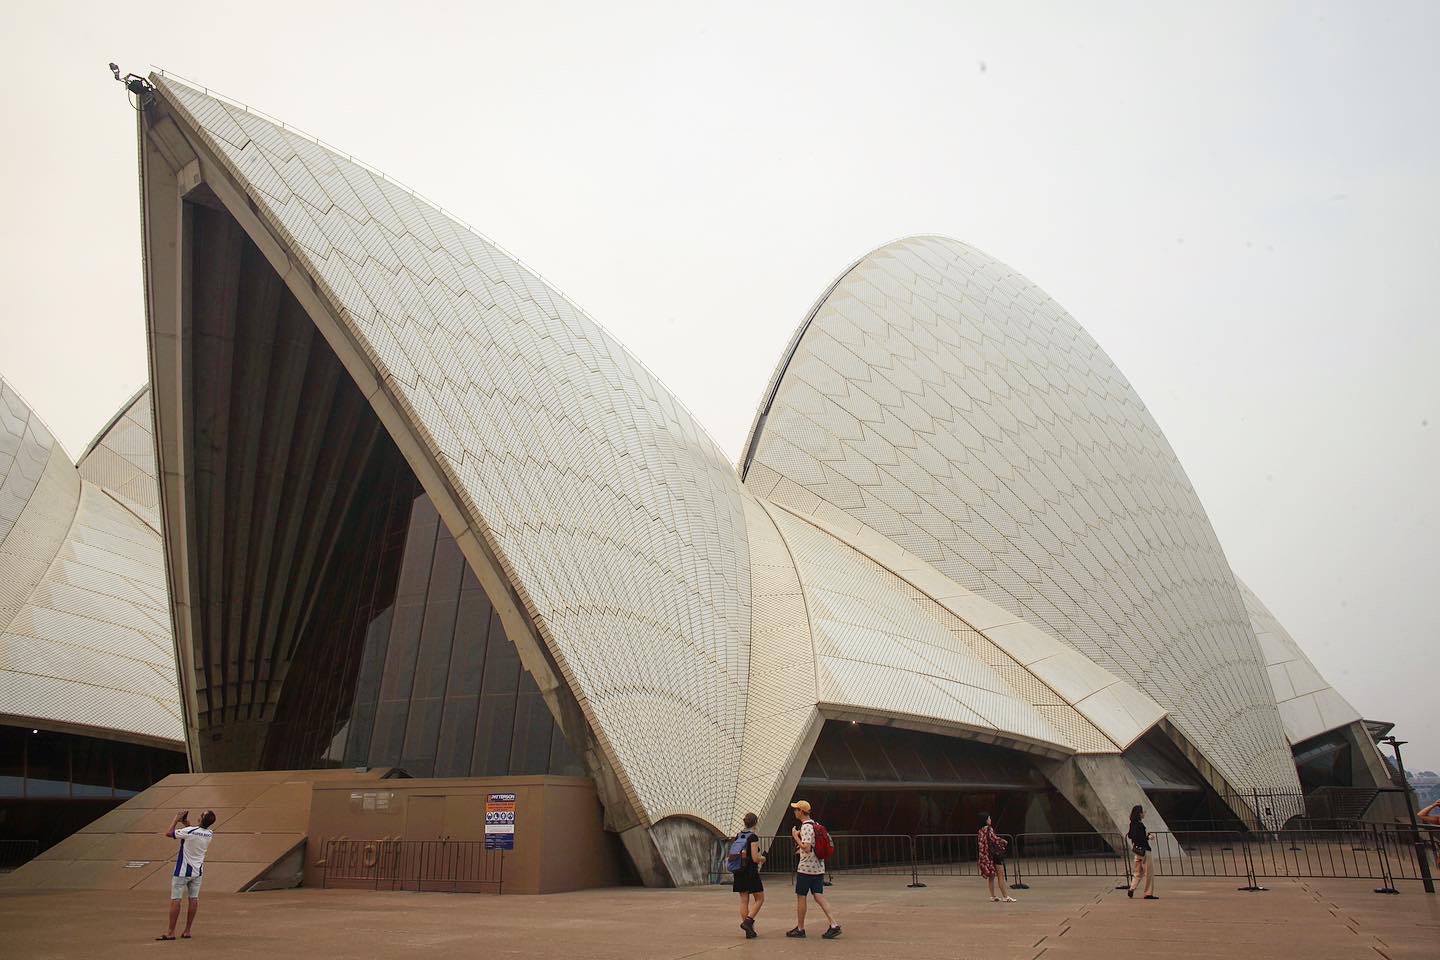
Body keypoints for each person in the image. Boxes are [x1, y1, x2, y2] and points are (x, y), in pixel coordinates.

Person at [157, 809, 216, 941]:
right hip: (198, 871)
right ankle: (187, 930)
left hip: (182, 871)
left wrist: (176, 820)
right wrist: (186, 825)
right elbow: (194, 833)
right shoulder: (210, 833)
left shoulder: (189, 831)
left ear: (200, 819)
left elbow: (168, 833)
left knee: (176, 899)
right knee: (193, 899)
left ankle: (171, 932)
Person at [787, 800, 841, 939]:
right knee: (818, 895)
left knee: (801, 896)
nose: (794, 812)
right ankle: (834, 924)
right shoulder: (815, 824)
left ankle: (800, 928)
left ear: (801, 811)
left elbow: (806, 846)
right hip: (818, 867)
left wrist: (795, 837)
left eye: (796, 809)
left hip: (806, 868)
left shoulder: (805, 827)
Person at [732, 812, 766, 938]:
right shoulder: (753, 837)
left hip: (739, 871)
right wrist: (763, 858)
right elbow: (755, 858)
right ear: (755, 823)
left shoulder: (738, 836)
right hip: (750, 872)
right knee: (760, 898)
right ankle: (748, 921)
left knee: (743, 900)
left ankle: (749, 931)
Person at [977, 813, 1016, 902]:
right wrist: (1003, 841)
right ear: (986, 820)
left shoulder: (980, 831)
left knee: (991, 876)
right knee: (1000, 875)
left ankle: (993, 896)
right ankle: (1005, 896)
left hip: (987, 857)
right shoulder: (989, 829)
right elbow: (994, 839)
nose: (990, 819)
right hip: (995, 855)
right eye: (989, 818)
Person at [1127, 804, 1158, 899]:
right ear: (1139, 814)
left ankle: (1131, 888)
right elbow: (1140, 837)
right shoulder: (1139, 825)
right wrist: (1148, 837)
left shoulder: (1132, 824)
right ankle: (1148, 893)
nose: (1143, 813)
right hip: (1145, 851)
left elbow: (1130, 836)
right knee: (1148, 873)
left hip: (1137, 851)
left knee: (1137, 872)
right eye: (1142, 812)